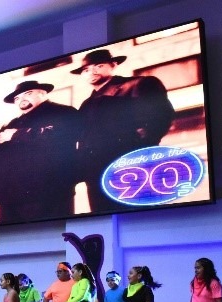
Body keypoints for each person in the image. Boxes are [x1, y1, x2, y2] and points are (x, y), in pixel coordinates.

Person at [72, 49, 174, 212]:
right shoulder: (86, 104)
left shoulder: (139, 84)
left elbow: (161, 116)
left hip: (131, 167)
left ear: (113, 65)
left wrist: (137, 150)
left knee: (141, 216)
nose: (92, 72)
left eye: (98, 66)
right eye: (86, 70)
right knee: (103, 216)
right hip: (96, 175)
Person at [0, 80, 79, 222]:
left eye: (28, 93)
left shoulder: (64, 112)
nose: (21, 99)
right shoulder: (14, 122)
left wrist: (16, 135)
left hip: (46, 194)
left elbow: (59, 136)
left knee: (48, 233)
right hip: (8, 196)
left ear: (42, 93)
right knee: (11, 235)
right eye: (17, 98)